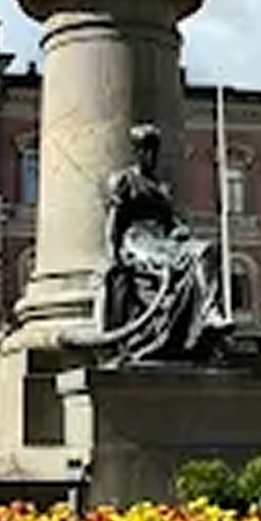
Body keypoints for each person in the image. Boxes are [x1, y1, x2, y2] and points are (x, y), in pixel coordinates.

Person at [99, 124, 231, 362]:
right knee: (173, 263)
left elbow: (172, 223)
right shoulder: (123, 180)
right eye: (144, 150)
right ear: (136, 151)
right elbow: (114, 222)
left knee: (206, 249)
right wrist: (113, 257)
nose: (150, 156)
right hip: (137, 241)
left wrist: (179, 230)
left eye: (153, 150)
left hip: (162, 240)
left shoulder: (161, 189)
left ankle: (209, 314)